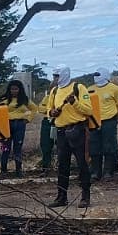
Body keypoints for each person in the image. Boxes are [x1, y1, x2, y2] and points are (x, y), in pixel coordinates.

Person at [42, 65, 95, 207]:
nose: (55, 79)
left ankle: (85, 196)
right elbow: (48, 109)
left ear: (64, 75)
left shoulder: (79, 88)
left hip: (77, 130)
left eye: (57, 76)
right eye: (54, 76)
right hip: (61, 131)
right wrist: (51, 113)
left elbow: (88, 110)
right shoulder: (54, 91)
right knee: (62, 165)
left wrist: (75, 103)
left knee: (82, 163)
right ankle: (61, 196)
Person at [87, 67, 118, 179]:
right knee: (94, 147)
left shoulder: (115, 89)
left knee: (108, 146)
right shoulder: (89, 89)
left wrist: (116, 119)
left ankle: (108, 171)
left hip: (108, 121)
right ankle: (96, 172)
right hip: (93, 122)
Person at [0, 80, 33, 176]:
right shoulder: (4, 100)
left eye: (16, 89)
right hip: (6, 126)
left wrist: (28, 119)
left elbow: (34, 109)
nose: (14, 91)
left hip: (19, 125)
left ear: (20, 89)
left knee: (17, 148)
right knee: (5, 148)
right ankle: (3, 170)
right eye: (12, 89)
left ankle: (18, 170)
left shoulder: (24, 100)